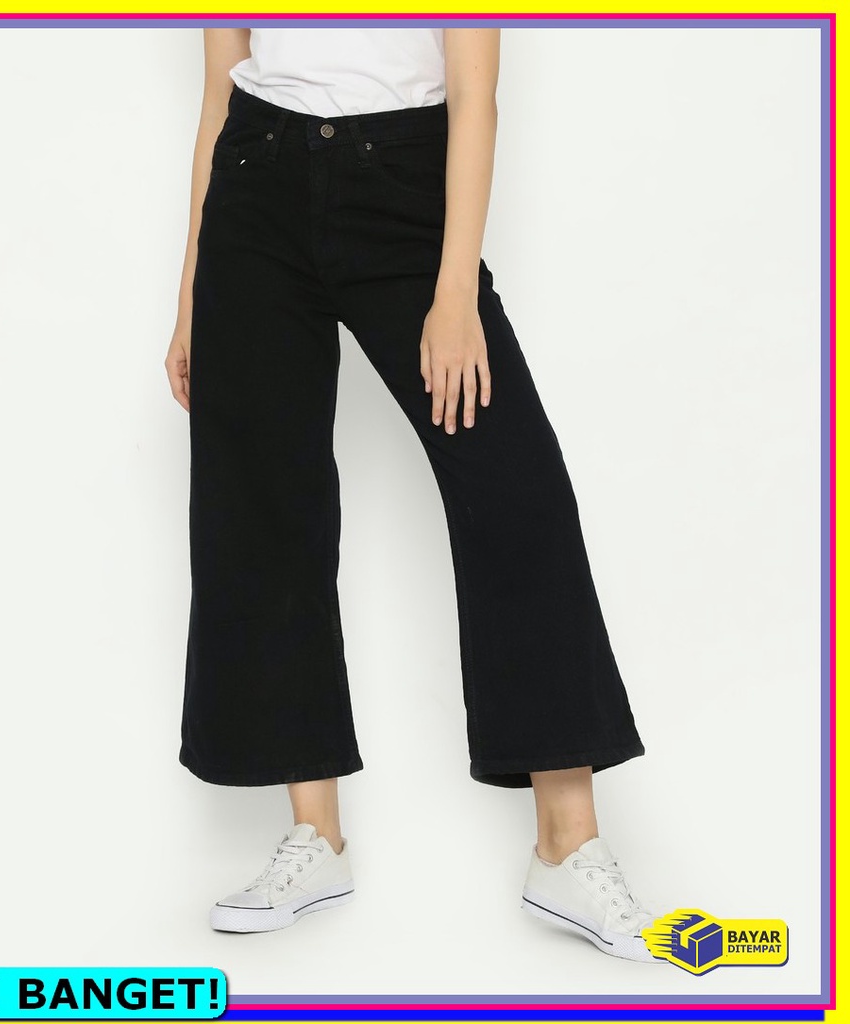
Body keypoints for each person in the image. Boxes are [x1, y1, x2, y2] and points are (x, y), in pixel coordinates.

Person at [164, 26, 666, 964]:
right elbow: (219, 92)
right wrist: (192, 289)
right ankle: (316, 835)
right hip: (256, 181)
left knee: (515, 497)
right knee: (263, 509)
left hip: (402, 182)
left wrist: (455, 292)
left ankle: (568, 845)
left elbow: (475, 95)